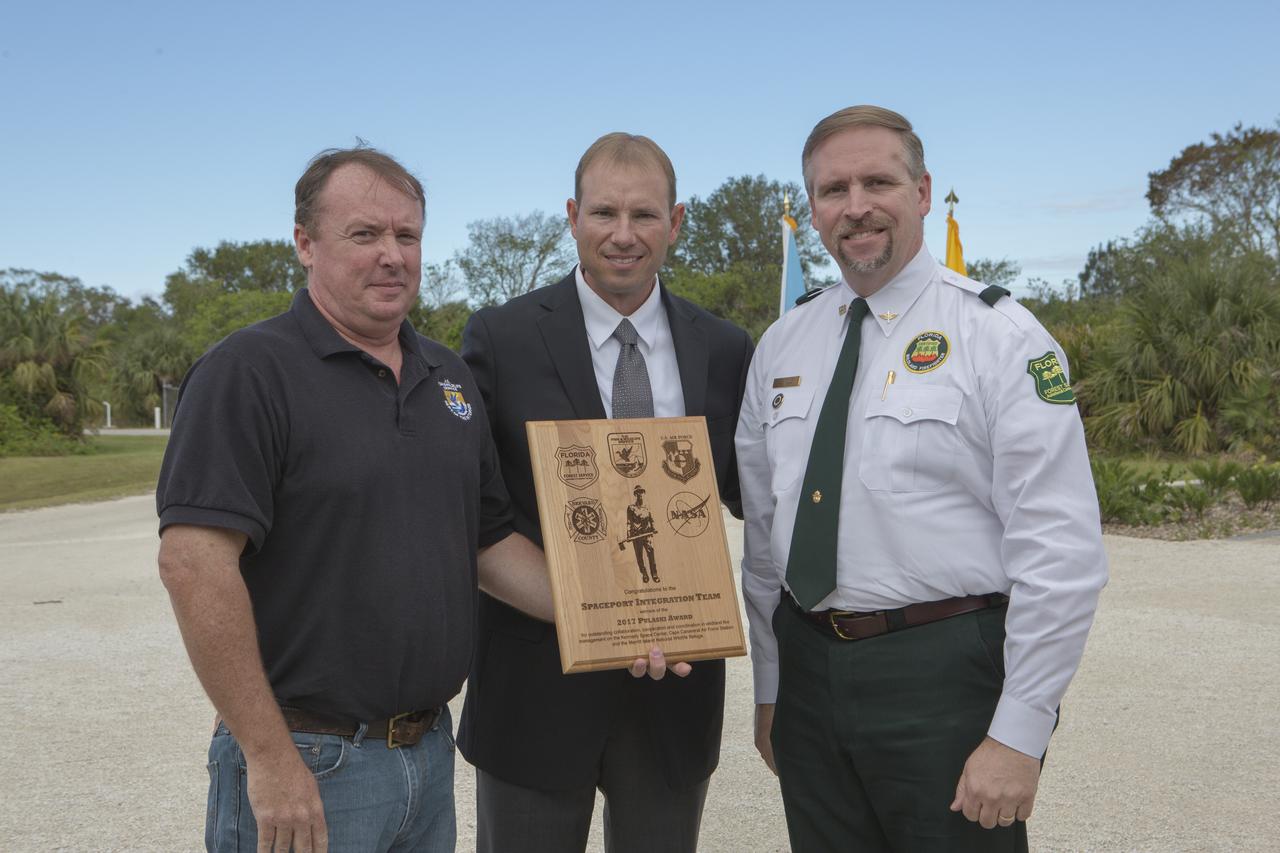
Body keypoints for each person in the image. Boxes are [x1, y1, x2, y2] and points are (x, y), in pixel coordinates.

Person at [156, 146, 606, 853]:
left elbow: (488, 543)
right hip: (310, 759)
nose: (392, 255)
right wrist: (270, 758)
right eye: (364, 235)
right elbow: (193, 564)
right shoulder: (248, 373)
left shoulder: (448, 376)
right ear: (305, 244)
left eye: (407, 235)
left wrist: (606, 613)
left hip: (427, 755)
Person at [736, 106, 1108, 851]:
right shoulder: (783, 343)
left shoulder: (999, 335)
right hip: (810, 673)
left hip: (943, 676)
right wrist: (774, 689)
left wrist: (1020, 733)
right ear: (813, 208)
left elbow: (1060, 552)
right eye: (833, 189)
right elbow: (766, 545)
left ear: (923, 190)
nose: (856, 205)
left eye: (878, 180)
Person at [458, 132, 755, 853]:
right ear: (572, 215)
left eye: (645, 215)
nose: (624, 235)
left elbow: (757, 498)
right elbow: (475, 513)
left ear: (676, 222)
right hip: (534, 690)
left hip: (674, 694)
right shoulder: (500, 338)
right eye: (604, 213)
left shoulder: (725, 348)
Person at [624, 485, 659, 584]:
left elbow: (651, 519)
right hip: (637, 535)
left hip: (647, 534)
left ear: (644, 493)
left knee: (651, 554)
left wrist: (654, 528)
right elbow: (629, 522)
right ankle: (644, 574)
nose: (640, 494)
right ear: (635, 495)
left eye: (641, 492)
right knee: (639, 556)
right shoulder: (631, 508)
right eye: (638, 492)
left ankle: (654, 574)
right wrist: (628, 534)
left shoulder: (647, 507)